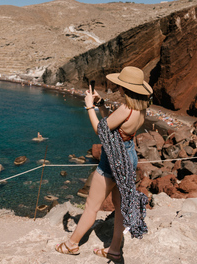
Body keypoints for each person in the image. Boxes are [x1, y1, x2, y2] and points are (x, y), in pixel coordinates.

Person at [55, 66, 152, 260]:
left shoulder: (126, 108)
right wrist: (101, 105)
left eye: (120, 85)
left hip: (113, 161)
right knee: (119, 207)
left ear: (126, 88)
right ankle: (114, 250)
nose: (118, 87)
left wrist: (89, 106)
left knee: (92, 206)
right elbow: (114, 125)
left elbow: (102, 131)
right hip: (128, 157)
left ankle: (71, 244)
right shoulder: (140, 109)